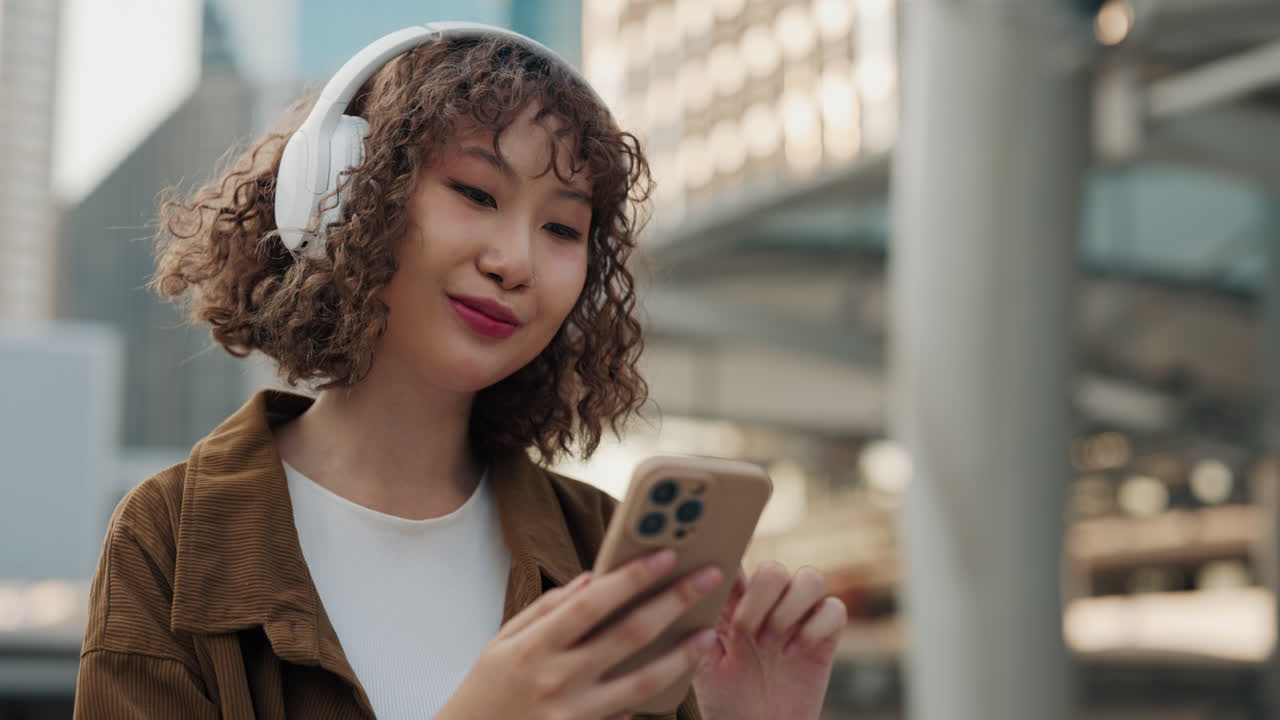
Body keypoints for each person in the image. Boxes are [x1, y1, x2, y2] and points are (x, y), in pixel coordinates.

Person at [73, 23, 847, 720]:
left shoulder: (605, 549)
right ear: (342, 197)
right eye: (476, 193)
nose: (514, 262)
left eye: (561, 228)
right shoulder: (169, 541)